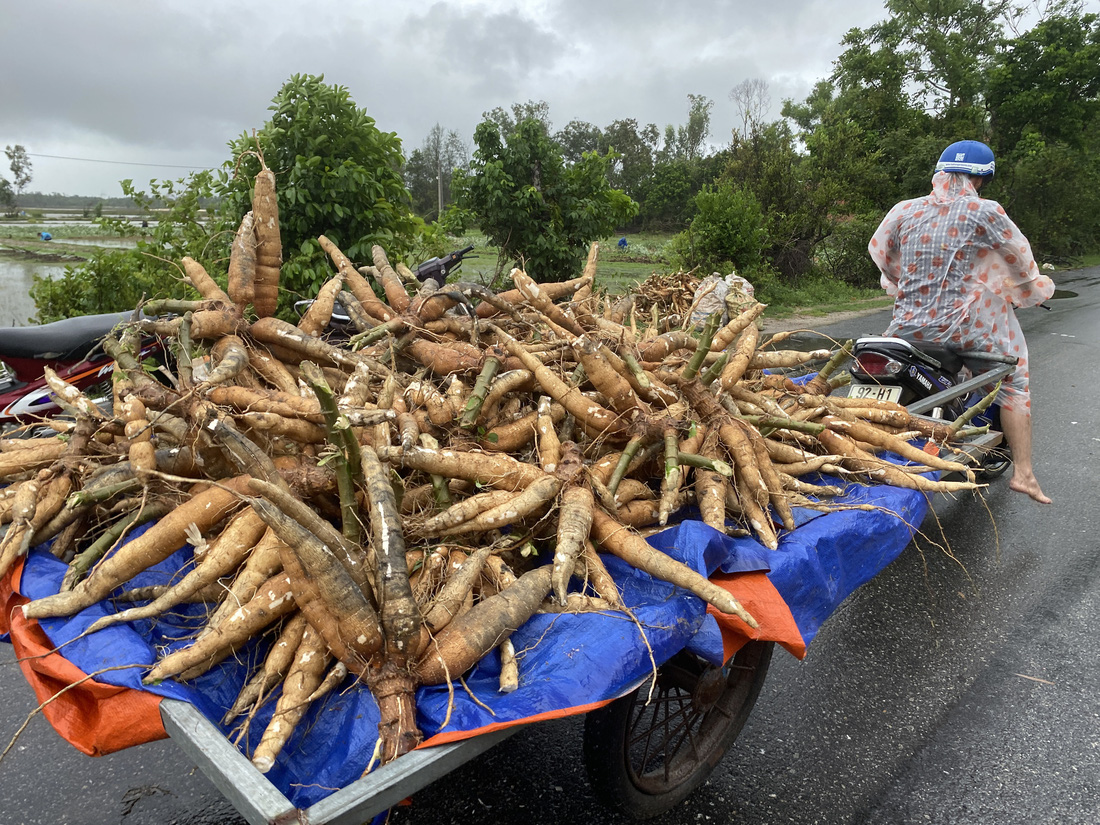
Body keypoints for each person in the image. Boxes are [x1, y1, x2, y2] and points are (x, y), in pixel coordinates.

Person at [868, 139, 1055, 504]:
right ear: (981, 179)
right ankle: (1025, 474)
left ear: (939, 172)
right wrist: (1030, 289)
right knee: (1014, 380)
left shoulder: (904, 210)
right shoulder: (985, 211)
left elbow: (880, 252)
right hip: (966, 330)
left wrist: (904, 282)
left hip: (907, 328)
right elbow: (1020, 261)